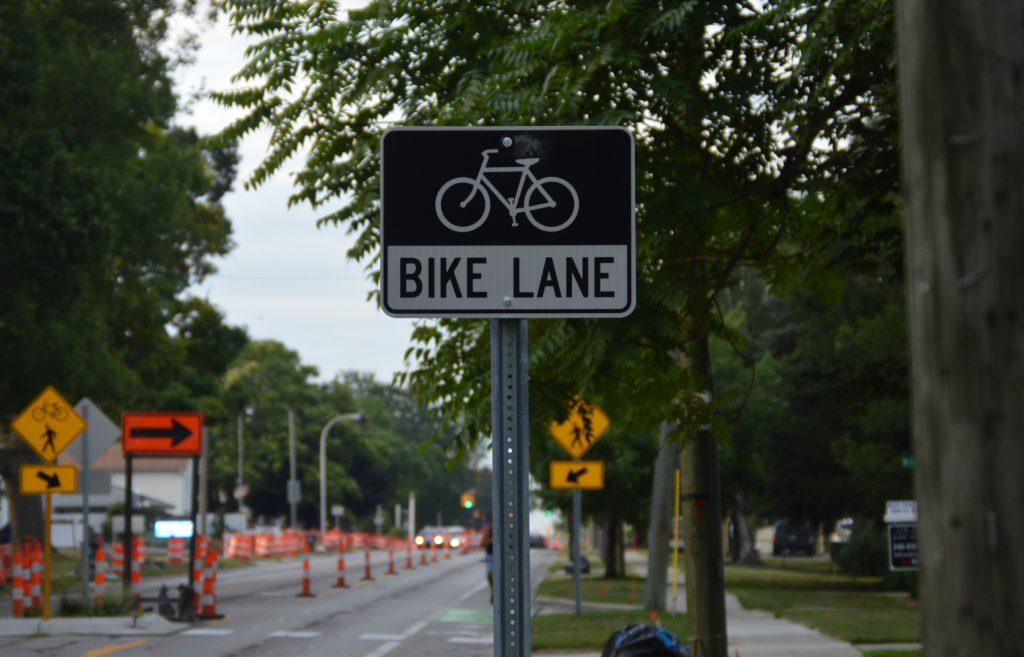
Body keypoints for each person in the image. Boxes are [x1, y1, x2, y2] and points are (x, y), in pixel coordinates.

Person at [481, 520, 493, 604]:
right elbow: (482, 543)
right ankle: (493, 589)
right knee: (489, 574)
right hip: (490, 555)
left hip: (502, 557)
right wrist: (490, 540)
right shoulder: (489, 531)